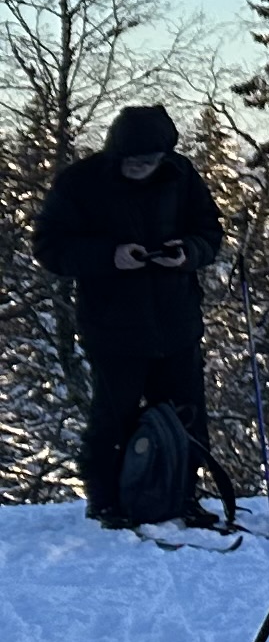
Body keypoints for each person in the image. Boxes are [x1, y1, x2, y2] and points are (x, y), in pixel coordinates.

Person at [28, 103, 227, 526]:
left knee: (186, 415)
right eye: (133, 161)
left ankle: (182, 495)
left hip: (176, 322)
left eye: (150, 161)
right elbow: (49, 246)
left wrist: (187, 252)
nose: (141, 168)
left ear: (164, 155)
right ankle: (104, 501)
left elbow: (210, 232)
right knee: (111, 419)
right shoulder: (80, 182)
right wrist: (109, 256)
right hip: (112, 327)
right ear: (116, 153)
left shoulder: (181, 176)